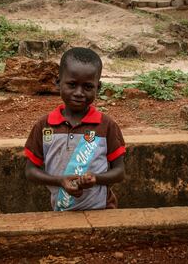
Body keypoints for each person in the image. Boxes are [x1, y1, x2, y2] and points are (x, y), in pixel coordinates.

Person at [24, 47, 126, 211]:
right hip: (61, 210)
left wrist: (95, 178)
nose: (79, 93)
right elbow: (30, 171)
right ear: (58, 83)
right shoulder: (44, 125)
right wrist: (60, 181)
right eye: (72, 84)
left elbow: (119, 172)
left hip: (102, 210)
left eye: (87, 87)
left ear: (97, 88)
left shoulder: (106, 125)